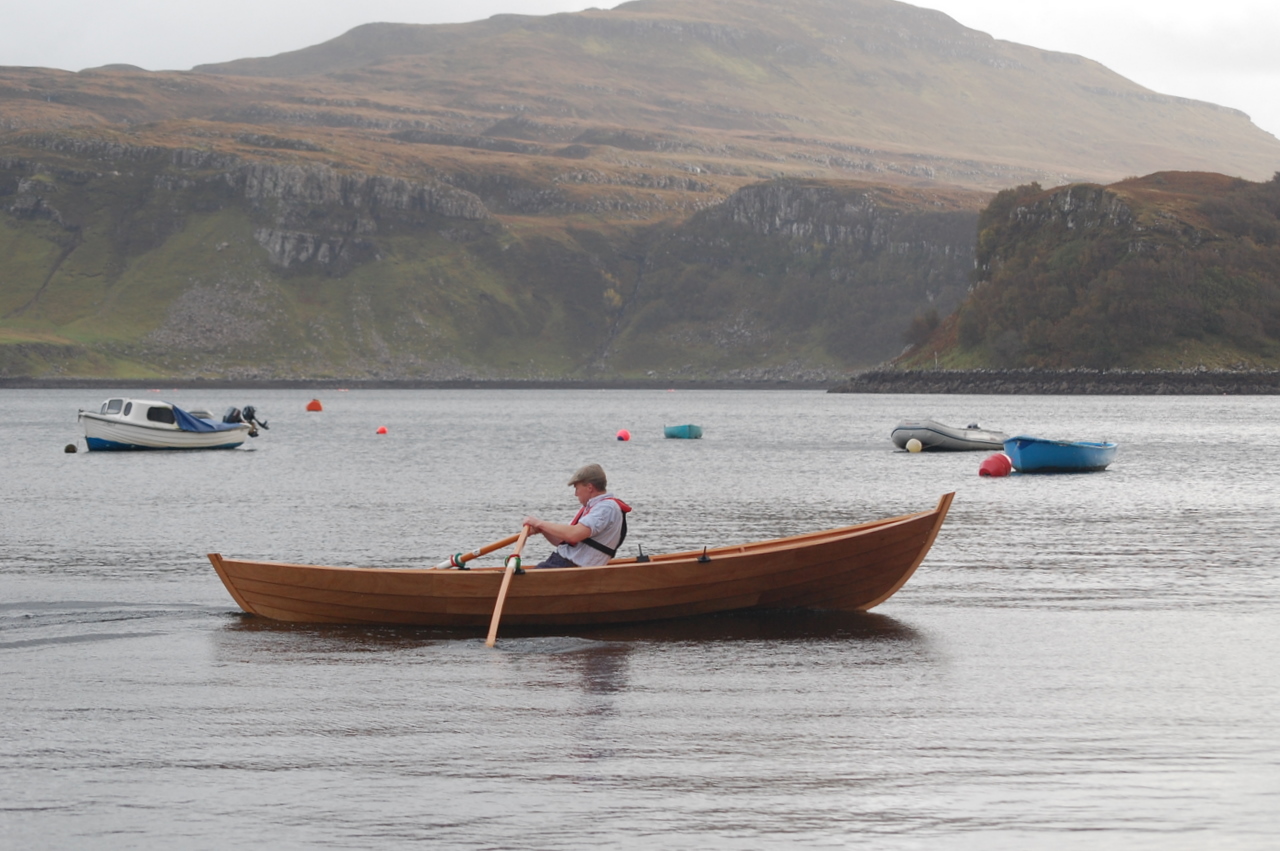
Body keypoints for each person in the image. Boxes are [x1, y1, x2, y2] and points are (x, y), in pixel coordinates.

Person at [523, 464, 631, 568]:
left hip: (569, 568)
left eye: (577, 488)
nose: (576, 494)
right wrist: (542, 529)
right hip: (561, 563)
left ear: (589, 487)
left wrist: (538, 523)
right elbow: (563, 541)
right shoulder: (592, 507)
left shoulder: (606, 508)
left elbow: (573, 535)